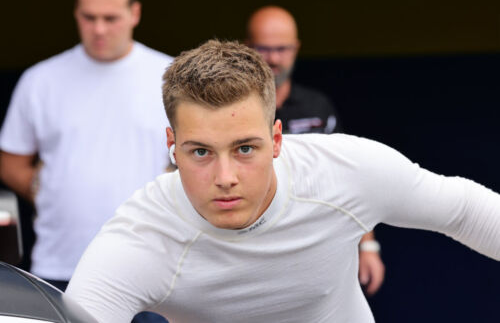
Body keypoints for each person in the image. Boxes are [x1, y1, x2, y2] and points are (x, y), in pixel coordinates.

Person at [65, 39, 500, 322]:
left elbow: (462, 209)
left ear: (277, 139)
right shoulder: (141, 238)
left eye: (245, 149)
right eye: (200, 152)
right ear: (171, 145)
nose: (225, 178)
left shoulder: (344, 171)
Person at [0, 0, 171, 322]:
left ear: (135, 13)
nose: (100, 29)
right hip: (60, 264)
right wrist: (49, 190)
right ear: (76, 14)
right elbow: (10, 162)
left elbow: (201, 155)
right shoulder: (40, 80)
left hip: (152, 267)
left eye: (111, 18)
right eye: (89, 17)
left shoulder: (171, 77)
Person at [246, 5, 384, 295]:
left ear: (296, 49)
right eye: (264, 48)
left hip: (314, 248)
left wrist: (368, 245)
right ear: (247, 47)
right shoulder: (233, 109)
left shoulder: (318, 108)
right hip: (247, 253)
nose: (273, 58)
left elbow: (347, 177)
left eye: (282, 48)